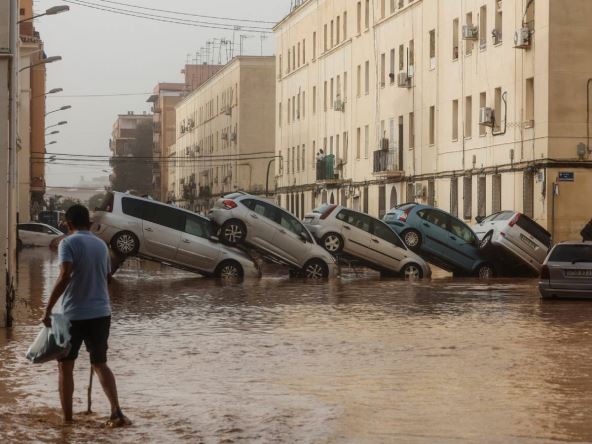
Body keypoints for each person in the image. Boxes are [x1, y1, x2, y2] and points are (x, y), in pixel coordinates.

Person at [42, 204, 130, 427]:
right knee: (100, 363)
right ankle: (116, 412)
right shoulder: (101, 245)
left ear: (68, 224)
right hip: (102, 313)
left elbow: (64, 276)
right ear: (88, 223)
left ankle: (68, 422)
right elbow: (108, 277)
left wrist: (48, 308)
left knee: (65, 366)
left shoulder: (68, 243)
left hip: (73, 314)